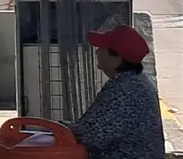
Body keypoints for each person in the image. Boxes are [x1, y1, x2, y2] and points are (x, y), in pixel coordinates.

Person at [66, 24, 164, 158]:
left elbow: (93, 136)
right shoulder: (133, 81)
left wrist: (64, 129)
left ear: (117, 59)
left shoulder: (125, 91)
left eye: (102, 48)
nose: (97, 52)